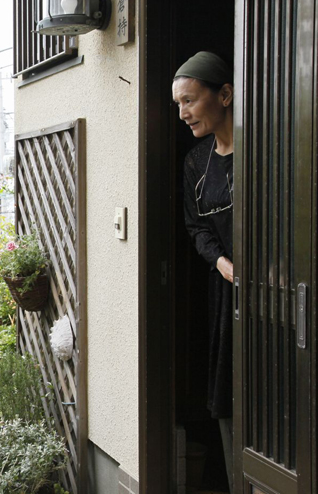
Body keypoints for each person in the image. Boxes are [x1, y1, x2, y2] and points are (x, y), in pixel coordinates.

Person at [173, 51, 234, 493]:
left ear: (224, 95)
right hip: (226, 289)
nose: (183, 113)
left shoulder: (260, 148)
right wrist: (221, 262)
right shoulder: (197, 162)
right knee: (227, 388)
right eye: (178, 104)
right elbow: (196, 227)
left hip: (274, 285)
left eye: (190, 100)